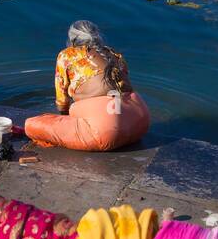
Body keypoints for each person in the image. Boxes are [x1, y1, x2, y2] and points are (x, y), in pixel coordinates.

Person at [23, 20, 150, 152]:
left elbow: (62, 102)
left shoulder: (67, 55)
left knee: (32, 125)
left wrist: (64, 118)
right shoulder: (114, 54)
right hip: (140, 124)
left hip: (107, 132)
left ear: (72, 39)